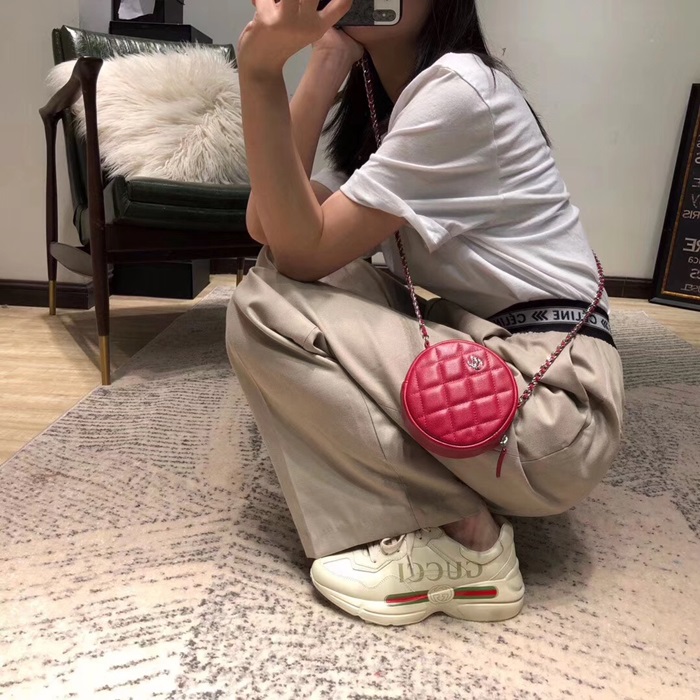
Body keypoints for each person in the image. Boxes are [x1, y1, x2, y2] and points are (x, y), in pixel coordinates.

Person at [227, 0, 624, 626]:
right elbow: (271, 228)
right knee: (293, 277)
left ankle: (464, 539)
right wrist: (327, 59)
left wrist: (259, 72)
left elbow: (299, 252)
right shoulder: (396, 109)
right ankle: (451, 505)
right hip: (502, 363)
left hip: (554, 407)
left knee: (263, 308)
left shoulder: (459, 90)